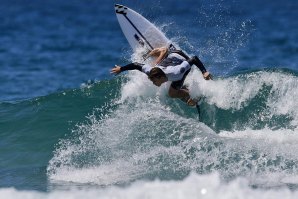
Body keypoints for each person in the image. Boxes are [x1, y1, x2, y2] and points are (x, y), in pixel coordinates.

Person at [110, 46, 212, 106]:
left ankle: (187, 93)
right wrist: (121, 69)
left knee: (172, 93)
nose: (153, 83)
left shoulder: (177, 72)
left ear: (160, 78)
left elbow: (194, 59)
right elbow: (136, 65)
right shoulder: (151, 71)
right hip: (167, 64)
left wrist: (204, 72)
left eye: (154, 81)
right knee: (155, 66)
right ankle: (163, 52)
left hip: (179, 57)